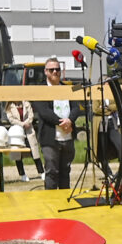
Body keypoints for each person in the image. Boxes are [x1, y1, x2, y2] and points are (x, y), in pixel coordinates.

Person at [33, 57, 84, 190]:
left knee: (65, 172)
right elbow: (43, 111)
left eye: (57, 69)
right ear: (45, 71)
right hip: (50, 138)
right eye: (51, 69)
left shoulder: (68, 88)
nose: (55, 72)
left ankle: (64, 201)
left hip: (67, 138)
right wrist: (61, 122)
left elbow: (76, 107)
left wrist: (70, 120)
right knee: (51, 172)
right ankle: (51, 204)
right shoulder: (40, 89)